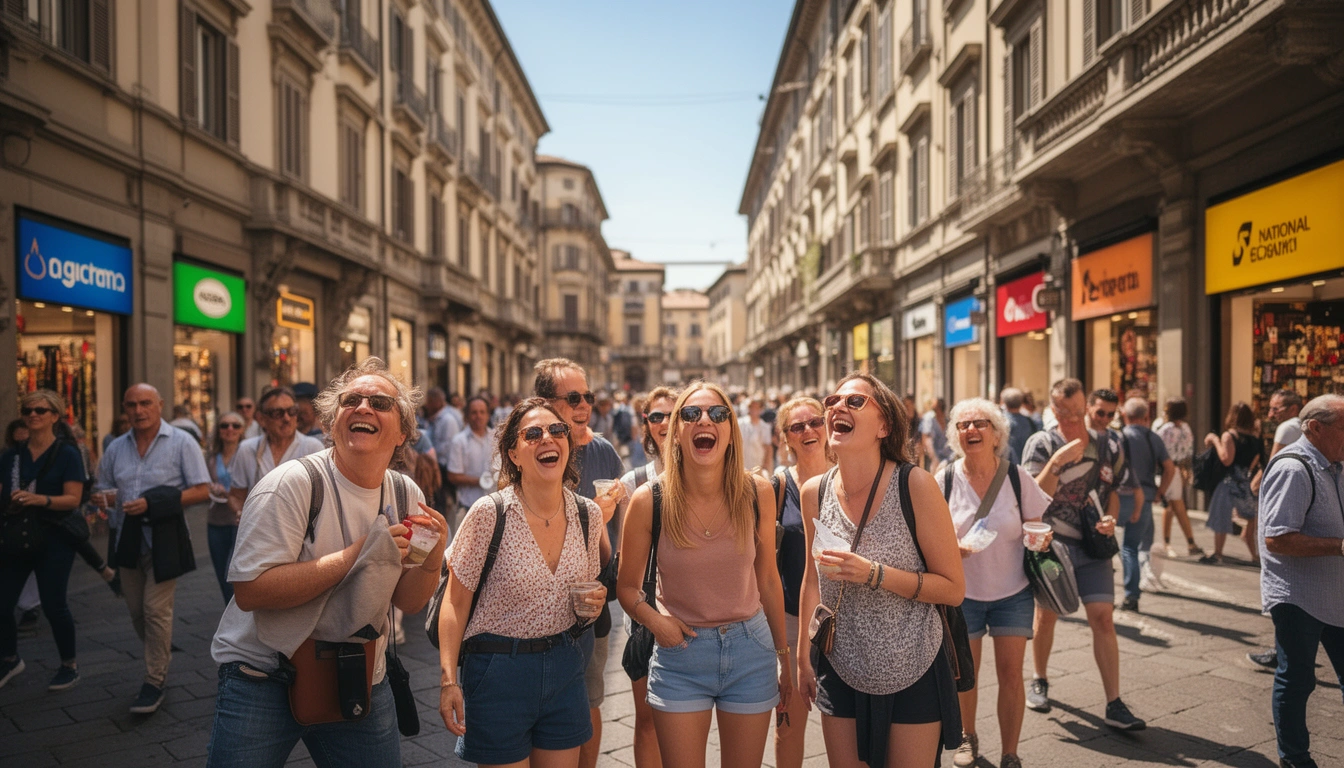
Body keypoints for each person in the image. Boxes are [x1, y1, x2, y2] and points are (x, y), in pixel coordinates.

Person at [206, 357, 448, 767]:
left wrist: (431, 557)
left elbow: (408, 602)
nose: (363, 407)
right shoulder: (291, 484)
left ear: (404, 431)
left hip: (355, 672)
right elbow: (250, 591)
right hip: (263, 677)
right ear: (331, 422)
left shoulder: (405, 492)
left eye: (380, 402)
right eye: (351, 400)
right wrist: (360, 552)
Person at [617, 382, 791, 768]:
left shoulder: (758, 492)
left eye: (717, 414)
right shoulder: (650, 500)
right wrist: (657, 623)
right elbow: (627, 587)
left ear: (731, 430)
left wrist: (785, 658)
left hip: (751, 651)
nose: (704, 421)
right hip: (680, 657)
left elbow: (767, 580)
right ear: (676, 431)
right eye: (691, 414)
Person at [796, 373, 965, 768]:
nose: (837, 406)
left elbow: (954, 588)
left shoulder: (916, 485)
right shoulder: (814, 492)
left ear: (884, 426)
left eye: (855, 402)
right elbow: (810, 581)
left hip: (914, 666)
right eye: (832, 399)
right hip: (840, 666)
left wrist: (874, 573)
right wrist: (803, 659)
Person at [436, 397, 604, 767]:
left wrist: (594, 600)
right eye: (533, 434)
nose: (547, 438)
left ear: (567, 443)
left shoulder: (588, 514)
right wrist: (449, 680)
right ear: (513, 454)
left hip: (564, 664)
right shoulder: (488, 513)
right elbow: (455, 602)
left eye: (556, 430)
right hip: (499, 670)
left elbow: (587, 591)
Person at [1020, 378, 1144, 730]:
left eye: (1078, 413)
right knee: (1046, 616)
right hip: (1053, 547)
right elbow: (1032, 497)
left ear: (1087, 408)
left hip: (1092, 545)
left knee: (1104, 617)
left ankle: (1114, 703)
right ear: (1052, 408)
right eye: (1063, 412)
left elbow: (1113, 491)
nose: (1072, 420)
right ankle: (1039, 678)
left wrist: (1111, 519)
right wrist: (1057, 463)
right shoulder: (1042, 442)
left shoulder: (1110, 445)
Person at [937, 398, 1054, 768]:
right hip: (962, 593)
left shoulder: (1017, 477)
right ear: (956, 436)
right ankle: (967, 737)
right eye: (963, 425)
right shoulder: (944, 479)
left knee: (1011, 675)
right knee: (966, 676)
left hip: (1013, 592)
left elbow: (1037, 525)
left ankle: (1010, 752)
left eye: (980, 423)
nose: (971, 429)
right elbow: (928, 534)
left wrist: (1041, 538)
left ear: (996, 434)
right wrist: (950, 547)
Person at [96, 383, 211, 713]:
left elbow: (202, 490)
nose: (138, 410)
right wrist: (106, 498)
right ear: (124, 408)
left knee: (155, 609)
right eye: (131, 404)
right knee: (136, 611)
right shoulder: (116, 448)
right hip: (126, 539)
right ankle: (159, 652)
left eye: (145, 403)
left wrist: (153, 503)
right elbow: (103, 489)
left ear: (160, 405)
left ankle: (154, 679)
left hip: (165, 538)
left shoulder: (181, 443)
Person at [534, 358, 625, 768]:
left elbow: (612, 549)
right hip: (532, 612)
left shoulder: (602, 451)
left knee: (588, 705)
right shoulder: (529, 449)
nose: (585, 404)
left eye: (587, 396)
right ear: (545, 403)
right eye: (573, 398)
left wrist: (603, 523)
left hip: (588, 607)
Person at [1256, 394, 1344, 768]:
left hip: (1336, 593)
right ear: (1315, 428)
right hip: (1298, 596)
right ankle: (1294, 757)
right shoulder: (1294, 468)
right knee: (1297, 680)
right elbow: (1276, 538)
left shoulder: (1336, 465)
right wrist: (1339, 546)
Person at [0, 391, 91, 692]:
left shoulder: (67, 453)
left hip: (55, 538)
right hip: (16, 536)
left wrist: (39, 499)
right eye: (27, 409)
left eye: (40, 409)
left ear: (55, 415)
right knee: (3, 603)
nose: (33, 414)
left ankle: (69, 664)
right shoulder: (11, 455)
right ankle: (10, 659)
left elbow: (74, 499)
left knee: (54, 604)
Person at [613, 386, 677, 768]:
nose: (665, 422)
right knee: (649, 718)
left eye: (673, 414)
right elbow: (626, 560)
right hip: (646, 606)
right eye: (656, 416)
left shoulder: (711, 472)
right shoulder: (632, 482)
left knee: (693, 716)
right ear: (646, 426)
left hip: (697, 608)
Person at [770, 396, 834, 768]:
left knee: (844, 726)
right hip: (793, 620)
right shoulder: (777, 487)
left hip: (848, 618)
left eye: (815, 422)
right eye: (798, 426)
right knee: (789, 723)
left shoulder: (852, 476)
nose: (808, 430)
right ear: (786, 438)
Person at [1116, 398, 1174, 612]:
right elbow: (1170, 468)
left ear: (1125, 415)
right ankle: (1132, 595)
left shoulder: (1120, 437)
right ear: (1146, 417)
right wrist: (1160, 492)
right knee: (1134, 545)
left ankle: (1123, 591)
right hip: (1147, 497)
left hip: (1120, 497)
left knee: (1122, 547)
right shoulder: (1153, 438)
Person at [227, 387, 324, 509]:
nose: (287, 418)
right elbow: (236, 496)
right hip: (259, 525)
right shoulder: (247, 449)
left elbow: (323, 498)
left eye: (292, 411)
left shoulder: (312, 448)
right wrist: (241, 514)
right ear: (262, 419)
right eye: (278, 413)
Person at [1201, 402, 1264, 565]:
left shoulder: (1229, 435)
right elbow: (1254, 463)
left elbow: (1226, 459)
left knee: (1220, 516)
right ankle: (1254, 554)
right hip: (1244, 482)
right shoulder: (1255, 439)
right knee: (1252, 516)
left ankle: (1218, 553)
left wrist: (1215, 439)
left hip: (1228, 482)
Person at [205, 412, 245, 604]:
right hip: (216, 520)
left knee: (235, 574)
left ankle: (241, 613)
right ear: (218, 431)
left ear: (242, 430)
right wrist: (211, 488)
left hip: (240, 520)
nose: (230, 429)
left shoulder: (248, 454)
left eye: (235, 426)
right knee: (222, 573)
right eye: (225, 426)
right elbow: (201, 484)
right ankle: (230, 615)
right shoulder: (211, 458)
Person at [1155, 398, 1201, 558]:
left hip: (1167, 470)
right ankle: (1182, 542)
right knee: (1172, 505)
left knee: (1175, 506)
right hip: (1179, 469)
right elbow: (1189, 451)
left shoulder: (1165, 429)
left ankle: (1186, 542)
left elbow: (1156, 447)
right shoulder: (1186, 428)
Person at [445, 396, 495, 530]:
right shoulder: (459, 441)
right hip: (469, 507)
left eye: (482, 412)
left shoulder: (496, 439)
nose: (478, 416)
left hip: (495, 508)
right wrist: (481, 481)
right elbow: (453, 476)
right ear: (467, 416)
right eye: (474, 412)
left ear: (488, 415)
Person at [425, 387, 464, 517]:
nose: (427, 405)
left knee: (444, 500)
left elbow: (448, 446)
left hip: (444, 467)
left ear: (438, 401)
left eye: (429, 401)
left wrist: (430, 450)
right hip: (437, 465)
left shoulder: (448, 420)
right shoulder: (435, 419)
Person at [1000, 388, 1035, 466]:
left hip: (1007, 467)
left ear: (1004, 402)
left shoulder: (1001, 422)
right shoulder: (1030, 422)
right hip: (1026, 465)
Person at [739, 397, 775, 472]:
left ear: (760, 409)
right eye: (751, 407)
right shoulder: (740, 423)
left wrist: (766, 464)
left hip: (757, 464)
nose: (753, 410)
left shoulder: (765, 427)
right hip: (742, 464)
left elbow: (768, 447)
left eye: (756, 407)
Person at [920, 397, 953, 475]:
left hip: (949, 459)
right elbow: (926, 440)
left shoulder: (948, 422)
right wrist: (934, 459)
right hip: (934, 459)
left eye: (935, 407)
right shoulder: (929, 420)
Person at [1268, 389, 1304, 459]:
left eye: (1275, 410)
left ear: (1293, 409)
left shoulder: (1287, 427)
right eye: (1270, 409)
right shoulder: (1305, 426)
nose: (1270, 415)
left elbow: (1273, 466)